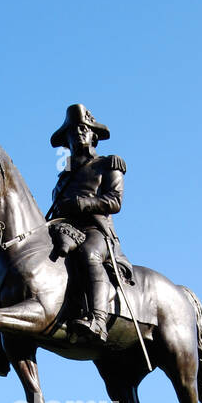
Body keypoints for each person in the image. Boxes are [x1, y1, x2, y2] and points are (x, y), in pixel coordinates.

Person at [46, 104, 134, 345]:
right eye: (73, 131)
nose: (78, 134)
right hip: (67, 230)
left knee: (89, 254)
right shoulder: (65, 174)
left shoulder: (109, 163)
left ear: (93, 135)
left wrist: (79, 203)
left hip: (97, 232)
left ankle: (98, 320)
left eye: (83, 129)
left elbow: (114, 201)